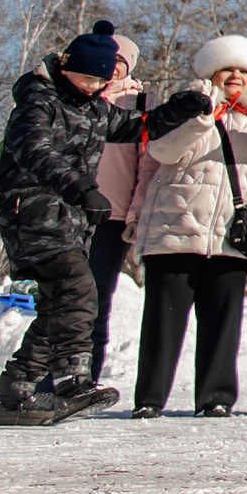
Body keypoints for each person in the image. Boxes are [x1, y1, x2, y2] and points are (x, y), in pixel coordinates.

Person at [0, 21, 205, 426]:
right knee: (78, 289)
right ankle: (72, 381)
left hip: (65, 218)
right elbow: (35, 150)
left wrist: (180, 108)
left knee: (56, 304)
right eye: (88, 80)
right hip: (30, 213)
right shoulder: (38, 102)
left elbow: (137, 127)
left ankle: (14, 395)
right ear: (67, 67)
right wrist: (81, 188)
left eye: (100, 83)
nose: (94, 88)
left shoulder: (93, 106)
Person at [130, 34, 247, 419]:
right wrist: (200, 119)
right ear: (211, 74)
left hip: (230, 235)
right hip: (173, 231)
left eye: (244, 71)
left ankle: (216, 397)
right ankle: (149, 399)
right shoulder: (183, 107)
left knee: (223, 321)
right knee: (162, 319)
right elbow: (161, 149)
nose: (236, 76)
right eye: (228, 69)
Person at [86, 28, 148, 384]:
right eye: (107, 59)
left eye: (120, 62)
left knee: (95, 297)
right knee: (58, 296)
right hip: (66, 213)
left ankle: (85, 378)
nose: (112, 67)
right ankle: (46, 377)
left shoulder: (138, 105)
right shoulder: (72, 97)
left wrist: (136, 212)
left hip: (111, 215)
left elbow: (147, 165)